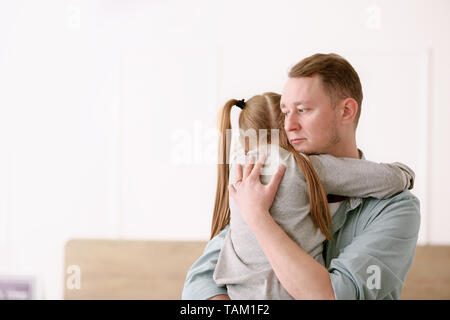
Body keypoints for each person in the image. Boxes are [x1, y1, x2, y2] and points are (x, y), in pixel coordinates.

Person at [182, 53, 421, 300]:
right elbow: (199, 283)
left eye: (303, 110)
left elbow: (334, 296)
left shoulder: (395, 208)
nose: (289, 125)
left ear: (347, 111)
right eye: (285, 112)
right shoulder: (263, 183)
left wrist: (258, 217)